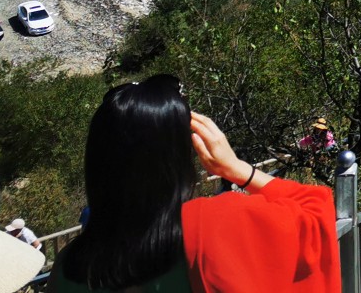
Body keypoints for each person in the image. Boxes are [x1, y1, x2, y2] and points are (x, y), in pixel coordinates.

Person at [49, 75, 340, 293]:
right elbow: (314, 210)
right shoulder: (217, 224)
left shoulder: (67, 268)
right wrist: (237, 168)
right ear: (178, 158)